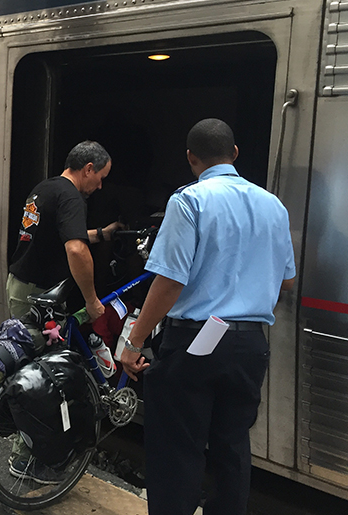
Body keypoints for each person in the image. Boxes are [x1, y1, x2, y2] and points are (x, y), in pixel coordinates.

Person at [119, 119, 295, 515]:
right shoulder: (273, 205)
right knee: (232, 445)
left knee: (177, 449)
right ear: (234, 154)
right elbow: (286, 281)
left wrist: (133, 342)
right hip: (251, 344)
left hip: (195, 341)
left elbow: (169, 281)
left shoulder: (189, 201)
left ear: (190, 158)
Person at [6, 140, 121, 483]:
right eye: (100, 177)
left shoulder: (44, 189)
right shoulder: (72, 197)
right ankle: (30, 461)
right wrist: (91, 299)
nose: (100, 185)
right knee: (45, 382)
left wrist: (99, 235)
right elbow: (74, 248)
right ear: (88, 169)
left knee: (26, 368)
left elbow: (58, 235)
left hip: (21, 287)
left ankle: (23, 447)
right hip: (43, 297)